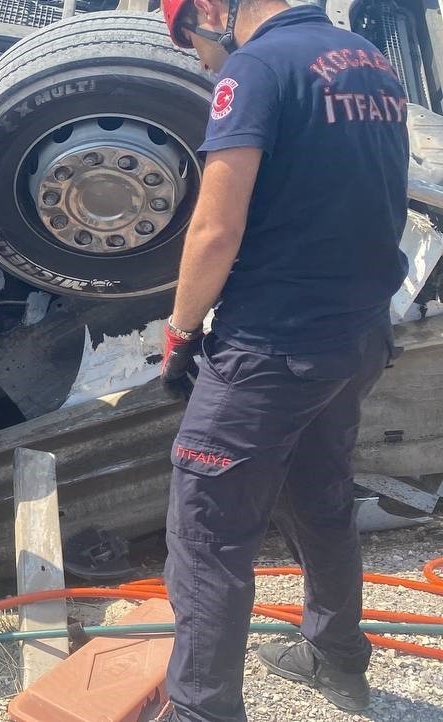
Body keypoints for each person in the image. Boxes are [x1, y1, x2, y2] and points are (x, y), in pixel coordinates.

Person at [157, 0, 409, 718]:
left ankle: (202, 708)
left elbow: (215, 228)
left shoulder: (256, 69)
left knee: (207, 530)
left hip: (273, 347)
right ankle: (338, 658)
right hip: (357, 336)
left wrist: (180, 332)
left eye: (191, 42)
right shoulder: (370, 62)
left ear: (209, 9)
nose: (202, 61)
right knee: (320, 499)